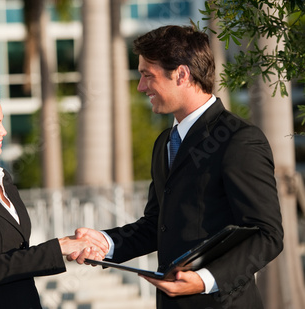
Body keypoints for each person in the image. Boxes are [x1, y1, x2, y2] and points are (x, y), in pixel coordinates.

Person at [69, 25, 283, 309]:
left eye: (147, 75)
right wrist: (106, 243)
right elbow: (156, 225)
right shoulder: (165, 143)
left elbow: (268, 235)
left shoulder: (239, 140)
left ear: (181, 74)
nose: (141, 86)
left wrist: (205, 279)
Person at [0, 87, 105, 308]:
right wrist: (58, 247)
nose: (3, 131)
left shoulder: (4, 180)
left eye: (1, 122)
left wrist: (71, 245)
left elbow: (19, 254)